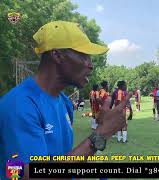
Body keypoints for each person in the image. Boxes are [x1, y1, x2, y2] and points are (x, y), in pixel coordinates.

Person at [0, 21, 130, 179]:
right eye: (83, 55)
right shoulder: (20, 104)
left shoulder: (64, 102)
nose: (90, 65)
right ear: (57, 55)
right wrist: (100, 135)